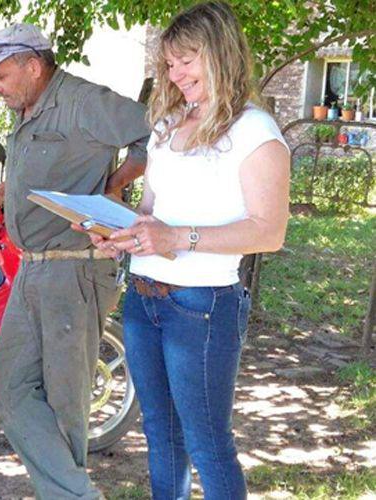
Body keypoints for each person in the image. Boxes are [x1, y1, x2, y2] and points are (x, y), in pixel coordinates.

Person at [84, 3, 290, 498]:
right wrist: (119, 234)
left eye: (187, 61)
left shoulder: (255, 131)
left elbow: (269, 232)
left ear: (220, 54)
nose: (175, 75)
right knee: (161, 436)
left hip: (201, 306)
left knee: (207, 443)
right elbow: (152, 213)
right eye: (169, 65)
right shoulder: (167, 125)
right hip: (143, 297)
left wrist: (178, 239)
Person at [0, 23, 151, 499]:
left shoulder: (82, 100)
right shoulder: (28, 103)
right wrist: (5, 192)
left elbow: (154, 133)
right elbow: (48, 169)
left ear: (33, 66)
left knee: (66, 402)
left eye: (1, 75)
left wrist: (113, 186)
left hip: (75, 267)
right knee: (7, 385)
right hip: (31, 266)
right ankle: (75, 493)